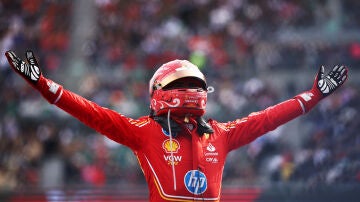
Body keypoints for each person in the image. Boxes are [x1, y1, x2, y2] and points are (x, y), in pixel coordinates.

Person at [5, 50, 348, 201]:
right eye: (182, 84)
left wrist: (314, 95)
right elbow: (91, 112)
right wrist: (45, 86)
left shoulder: (220, 133)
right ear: (158, 93)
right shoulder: (143, 131)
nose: (193, 91)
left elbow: (268, 119)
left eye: (198, 85)